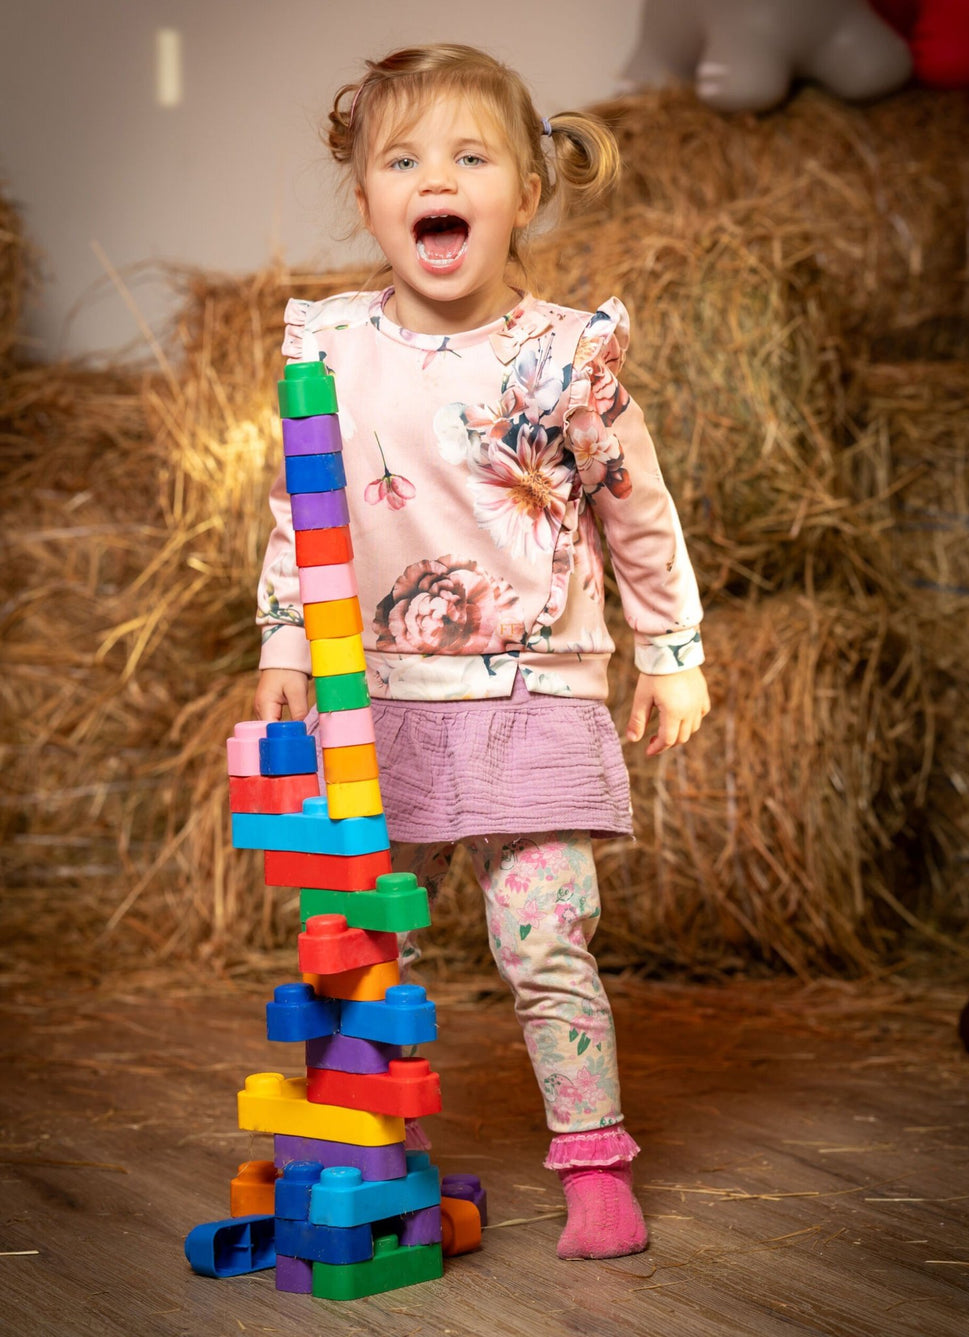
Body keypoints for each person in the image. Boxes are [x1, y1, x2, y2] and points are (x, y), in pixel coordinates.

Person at [254, 43, 710, 1260]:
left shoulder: (565, 356)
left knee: (546, 936)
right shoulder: (331, 346)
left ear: (524, 192)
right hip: (377, 703)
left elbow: (634, 503)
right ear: (365, 196)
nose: (432, 177)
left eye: (468, 156)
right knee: (361, 944)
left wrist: (670, 647)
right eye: (401, 159)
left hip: (533, 693)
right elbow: (300, 508)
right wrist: (287, 634)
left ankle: (595, 1166)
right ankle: (373, 1160)